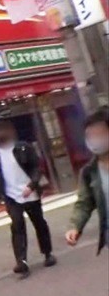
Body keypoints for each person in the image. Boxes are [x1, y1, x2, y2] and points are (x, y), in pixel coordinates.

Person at [0, 119, 56, 277]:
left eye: (2, 131)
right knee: (17, 225)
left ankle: (47, 253)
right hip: (11, 196)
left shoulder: (23, 147)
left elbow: (37, 167)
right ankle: (21, 261)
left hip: (30, 192)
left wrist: (32, 185)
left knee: (39, 222)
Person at [66, 109, 109, 254]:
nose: (95, 140)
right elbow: (84, 203)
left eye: (99, 134)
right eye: (90, 136)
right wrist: (75, 226)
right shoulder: (89, 172)